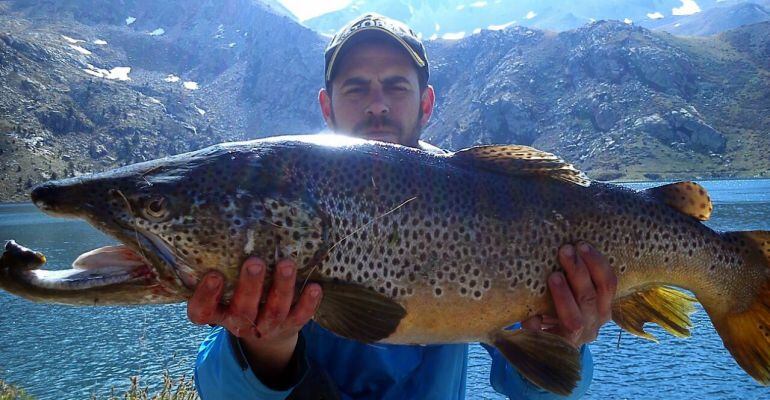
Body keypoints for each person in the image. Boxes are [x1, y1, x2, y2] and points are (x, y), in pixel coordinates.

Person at [190, 13, 617, 399]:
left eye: (396, 86)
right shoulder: (286, 193)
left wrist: (568, 339)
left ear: (426, 103)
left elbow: (545, 392)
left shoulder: (472, 197)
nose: (377, 104)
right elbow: (219, 389)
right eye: (356, 88)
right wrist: (264, 348)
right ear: (326, 106)